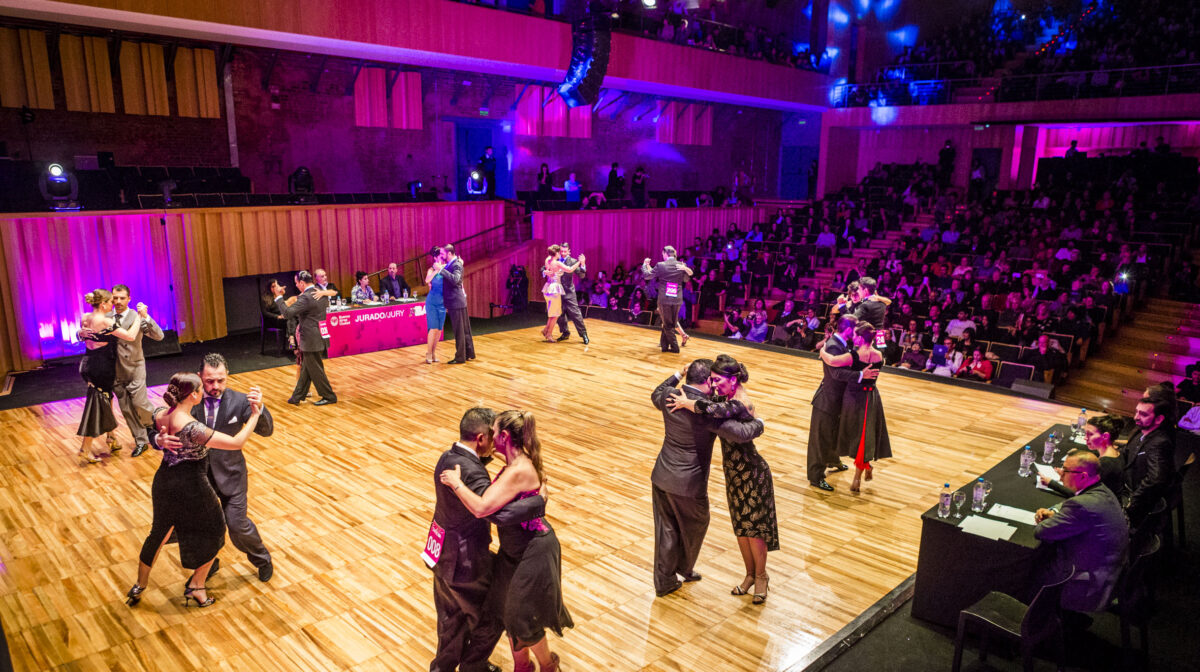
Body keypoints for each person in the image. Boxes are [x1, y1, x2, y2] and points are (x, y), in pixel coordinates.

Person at [440, 410, 572, 672]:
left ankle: (548, 666)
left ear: (502, 436)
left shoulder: (518, 469)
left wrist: (456, 483)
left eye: (493, 432)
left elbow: (481, 509)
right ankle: (522, 667)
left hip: (533, 550)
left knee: (521, 618)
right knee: (503, 611)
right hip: (513, 550)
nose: (488, 438)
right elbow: (480, 452)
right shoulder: (513, 460)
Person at [124, 372, 263, 609]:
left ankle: (139, 585)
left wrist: (157, 440)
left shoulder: (161, 414)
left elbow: (148, 427)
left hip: (164, 481)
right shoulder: (192, 428)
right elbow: (237, 443)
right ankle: (197, 586)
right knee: (217, 530)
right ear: (193, 395)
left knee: (158, 533)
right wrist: (254, 416)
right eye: (201, 389)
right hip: (192, 485)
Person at [667, 354, 778, 605]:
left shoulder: (739, 401)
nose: (714, 385)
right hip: (734, 473)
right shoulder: (725, 396)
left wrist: (688, 404)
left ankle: (762, 577)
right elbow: (709, 401)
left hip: (752, 473)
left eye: (717, 380)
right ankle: (749, 575)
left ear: (733, 380)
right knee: (741, 528)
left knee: (754, 530)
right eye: (712, 380)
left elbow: (713, 409)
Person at [190, 353, 275, 582]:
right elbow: (161, 422)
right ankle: (208, 566)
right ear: (200, 377)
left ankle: (262, 558)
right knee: (201, 528)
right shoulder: (190, 400)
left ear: (227, 376)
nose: (215, 386)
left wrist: (261, 407)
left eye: (220, 380)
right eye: (209, 381)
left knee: (237, 527)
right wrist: (158, 439)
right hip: (200, 479)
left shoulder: (239, 401)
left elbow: (266, 431)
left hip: (232, 476)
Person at [1033, 449, 1129, 613]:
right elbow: (1076, 506)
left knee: (1032, 564)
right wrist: (1056, 513)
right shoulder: (1103, 490)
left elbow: (1041, 531)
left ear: (1083, 476)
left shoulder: (1082, 505)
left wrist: (1050, 519)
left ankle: (1037, 619)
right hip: (1111, 573)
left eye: (1066, 470)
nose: (1061, 474)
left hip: (1088, 585)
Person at [808, 315, 878, 492]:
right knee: (820, 440)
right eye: (854, 330)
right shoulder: (833, 345)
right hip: (827, 401)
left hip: (839, 400)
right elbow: (836, 375)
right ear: (848, 329)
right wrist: (861, 375)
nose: (856, 334)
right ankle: (816, 477)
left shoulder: (842, 345)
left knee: (833, 433)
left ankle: (833, 460)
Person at [820, 322, 892, 493]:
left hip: (853, 397)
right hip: (871, 397)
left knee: (855, 434)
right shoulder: (879, 355)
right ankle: (863, 470)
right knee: (865, 436)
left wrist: (823, 349)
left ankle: (858, 477)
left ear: (859, 337)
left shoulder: (854, 355)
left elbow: (832, 360)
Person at [76, 289, 143, 463]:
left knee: (105, 400)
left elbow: (81, 335)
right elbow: (129, 335)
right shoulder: (105, 321)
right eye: (111, 302)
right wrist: (139, 318)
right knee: (97, 405)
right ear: (104, 303)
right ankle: (85, 447)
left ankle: (111, 438)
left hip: (87, 363)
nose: (113, 305)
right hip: (101, 366)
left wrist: (79, 334)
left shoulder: (85, 317)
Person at [108, 285, 165, 457]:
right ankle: (141, 441)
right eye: (115, 298)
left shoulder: (136, 316)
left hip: (135, 366)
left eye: (122, 298)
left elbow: (158, 336)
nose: (118, 301)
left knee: (140, 403)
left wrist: (146, 316)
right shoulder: (106, 317)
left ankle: (155, 421)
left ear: (129, 299)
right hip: (115, 370)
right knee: (126, 408)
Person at [273, 271, 338, 405]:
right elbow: (332, 293)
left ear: (302, 283)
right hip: (320, 334)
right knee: (307, 368)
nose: (296, 286)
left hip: (310, 338)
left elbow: (287, 313)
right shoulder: (320, 291)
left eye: (296, 283)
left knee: (315, 369)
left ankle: (329, 396)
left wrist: (279, 297)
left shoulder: (307, 297)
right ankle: (297, 397)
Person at [1121, 395, 1176, 527]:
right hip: (1128, 484)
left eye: (1143, 414)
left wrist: (1132, 501)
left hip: (1135, 497)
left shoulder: (1159, 443)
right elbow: (1127, 451)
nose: (1136, 417)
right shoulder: (1141, 431)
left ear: (1158, 419)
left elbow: (1155, 479)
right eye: (1137, 412)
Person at [641, 246, 693, 353]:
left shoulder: (661, 265)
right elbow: (686, 279)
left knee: (668, 324)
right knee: (669, 322)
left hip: (664, 299)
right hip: (677, 299)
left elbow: (647, 276)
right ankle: (664, 346)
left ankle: (675, 347)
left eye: (662, 254)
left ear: (665, 253)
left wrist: (644, 265)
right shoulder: (681, 265)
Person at [539, 245, 585, 342]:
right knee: (555, 314)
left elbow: (546, 269)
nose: (561, 253)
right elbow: (569, 269)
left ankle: (546, 330)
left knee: (552, 313)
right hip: (554, 288)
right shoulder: (557, 263)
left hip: (548, 288)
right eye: (560, 252)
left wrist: (546, 272)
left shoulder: (548, 259)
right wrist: (579, 262)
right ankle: (549, 335)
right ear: (556, 253)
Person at [440, 244, 475, 364]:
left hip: (456, 301)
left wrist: (441, 270)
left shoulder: (456, 264)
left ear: (449, 253)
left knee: (459, 330)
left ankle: (460, 357)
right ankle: (468, 353)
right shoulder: (453, 264)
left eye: (443, 254)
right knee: (464, 330)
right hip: (457, 301)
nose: (442, 256)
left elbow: (455, 280)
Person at [554, 243, 589, 345]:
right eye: (561, 251)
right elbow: (545, 267)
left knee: (576, 314)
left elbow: (582, 275)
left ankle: (584, 334)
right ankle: (565, 332)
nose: (563, 253)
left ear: (569, 251)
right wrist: (544, 271)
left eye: (565, 251)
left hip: (569, 293)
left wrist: (582, 264)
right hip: (558, 292)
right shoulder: (556, 261)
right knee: (559, 314)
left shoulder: (573, 261)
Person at [424, 246, 448, 364]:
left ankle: (433, 352)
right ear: (435, 257)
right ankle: (428, 352)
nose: (442, 258)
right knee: (433, 328)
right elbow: (427, 280)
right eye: (439, 256)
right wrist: (435, 270)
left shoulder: (446, 268)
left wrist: (441, 269)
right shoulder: (431, 269)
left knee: (439, 329)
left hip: (442, 302)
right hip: (432, 302)